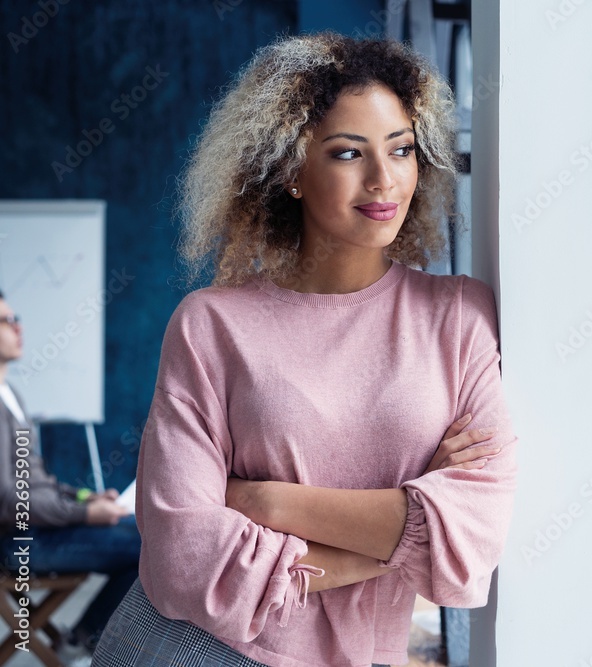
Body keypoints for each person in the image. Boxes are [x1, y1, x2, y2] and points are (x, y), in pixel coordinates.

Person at [92, 33, 517, 667]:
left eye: (401, 150)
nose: (383, 179)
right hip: (208, 652)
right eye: (348, 153)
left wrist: (267, 501)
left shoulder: (456, 314)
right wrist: (408, 532)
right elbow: (182, 555)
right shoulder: (211, 325)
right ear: (291, 169)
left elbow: (476, 534)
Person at [0, 290, 142, 663]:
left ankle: (80, 637)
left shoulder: (9, 392)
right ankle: (82, 638)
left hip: (41, 529)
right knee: (150, 547)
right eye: (5, 320)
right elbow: (10, 501)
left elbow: (36, 480)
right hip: (20, 542)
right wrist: (84, 515)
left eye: (16, 318)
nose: (18, 327)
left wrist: (86, 500)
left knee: (148, 532)